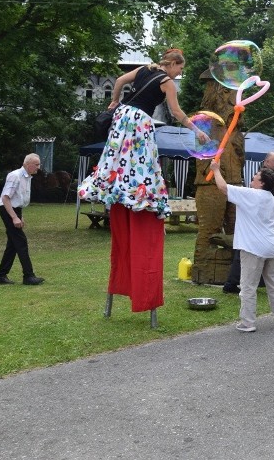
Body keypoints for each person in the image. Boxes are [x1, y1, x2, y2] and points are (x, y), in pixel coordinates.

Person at [78, 48, 207, 313]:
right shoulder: (166, 82)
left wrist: (114, 102)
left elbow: (118, 81)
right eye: (180, 69)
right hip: (139, 123)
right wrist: (196, 131)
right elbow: (176, 112)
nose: (180, 73)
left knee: (116, 159)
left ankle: (113, 184)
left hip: (121, 118)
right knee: (142, 163)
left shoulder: (145, 69)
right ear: (172, 64)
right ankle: (140, 191)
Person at [210, 164, 274, 332]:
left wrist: (216, 169)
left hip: (253, 248)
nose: (252, 178)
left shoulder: (249, 194)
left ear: (261, 183)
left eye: (255, 176)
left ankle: (248, 322)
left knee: (248, 286)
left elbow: (223, 188)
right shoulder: (271, 198)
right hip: (272, 247)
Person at [223, 150, 274, 294]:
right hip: (256, 227)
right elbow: (231, 191)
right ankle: (233, 283)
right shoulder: (260, 180)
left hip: (264, 226)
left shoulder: (268, 179)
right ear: (266, 162)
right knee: (245, 256)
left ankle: (232, 283)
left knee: (246, 255)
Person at [0, 154, 45, 285]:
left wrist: (19, 215)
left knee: (13, 245)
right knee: (21, 242)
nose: (38, 168)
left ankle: (1, 276)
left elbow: (17, 199)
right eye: (36, 164)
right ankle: (28, 276)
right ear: (28, 164)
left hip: (14, 209)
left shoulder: (27, 177)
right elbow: (5, 198)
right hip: (7, 210)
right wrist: (14, 217)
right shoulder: (15, 176)